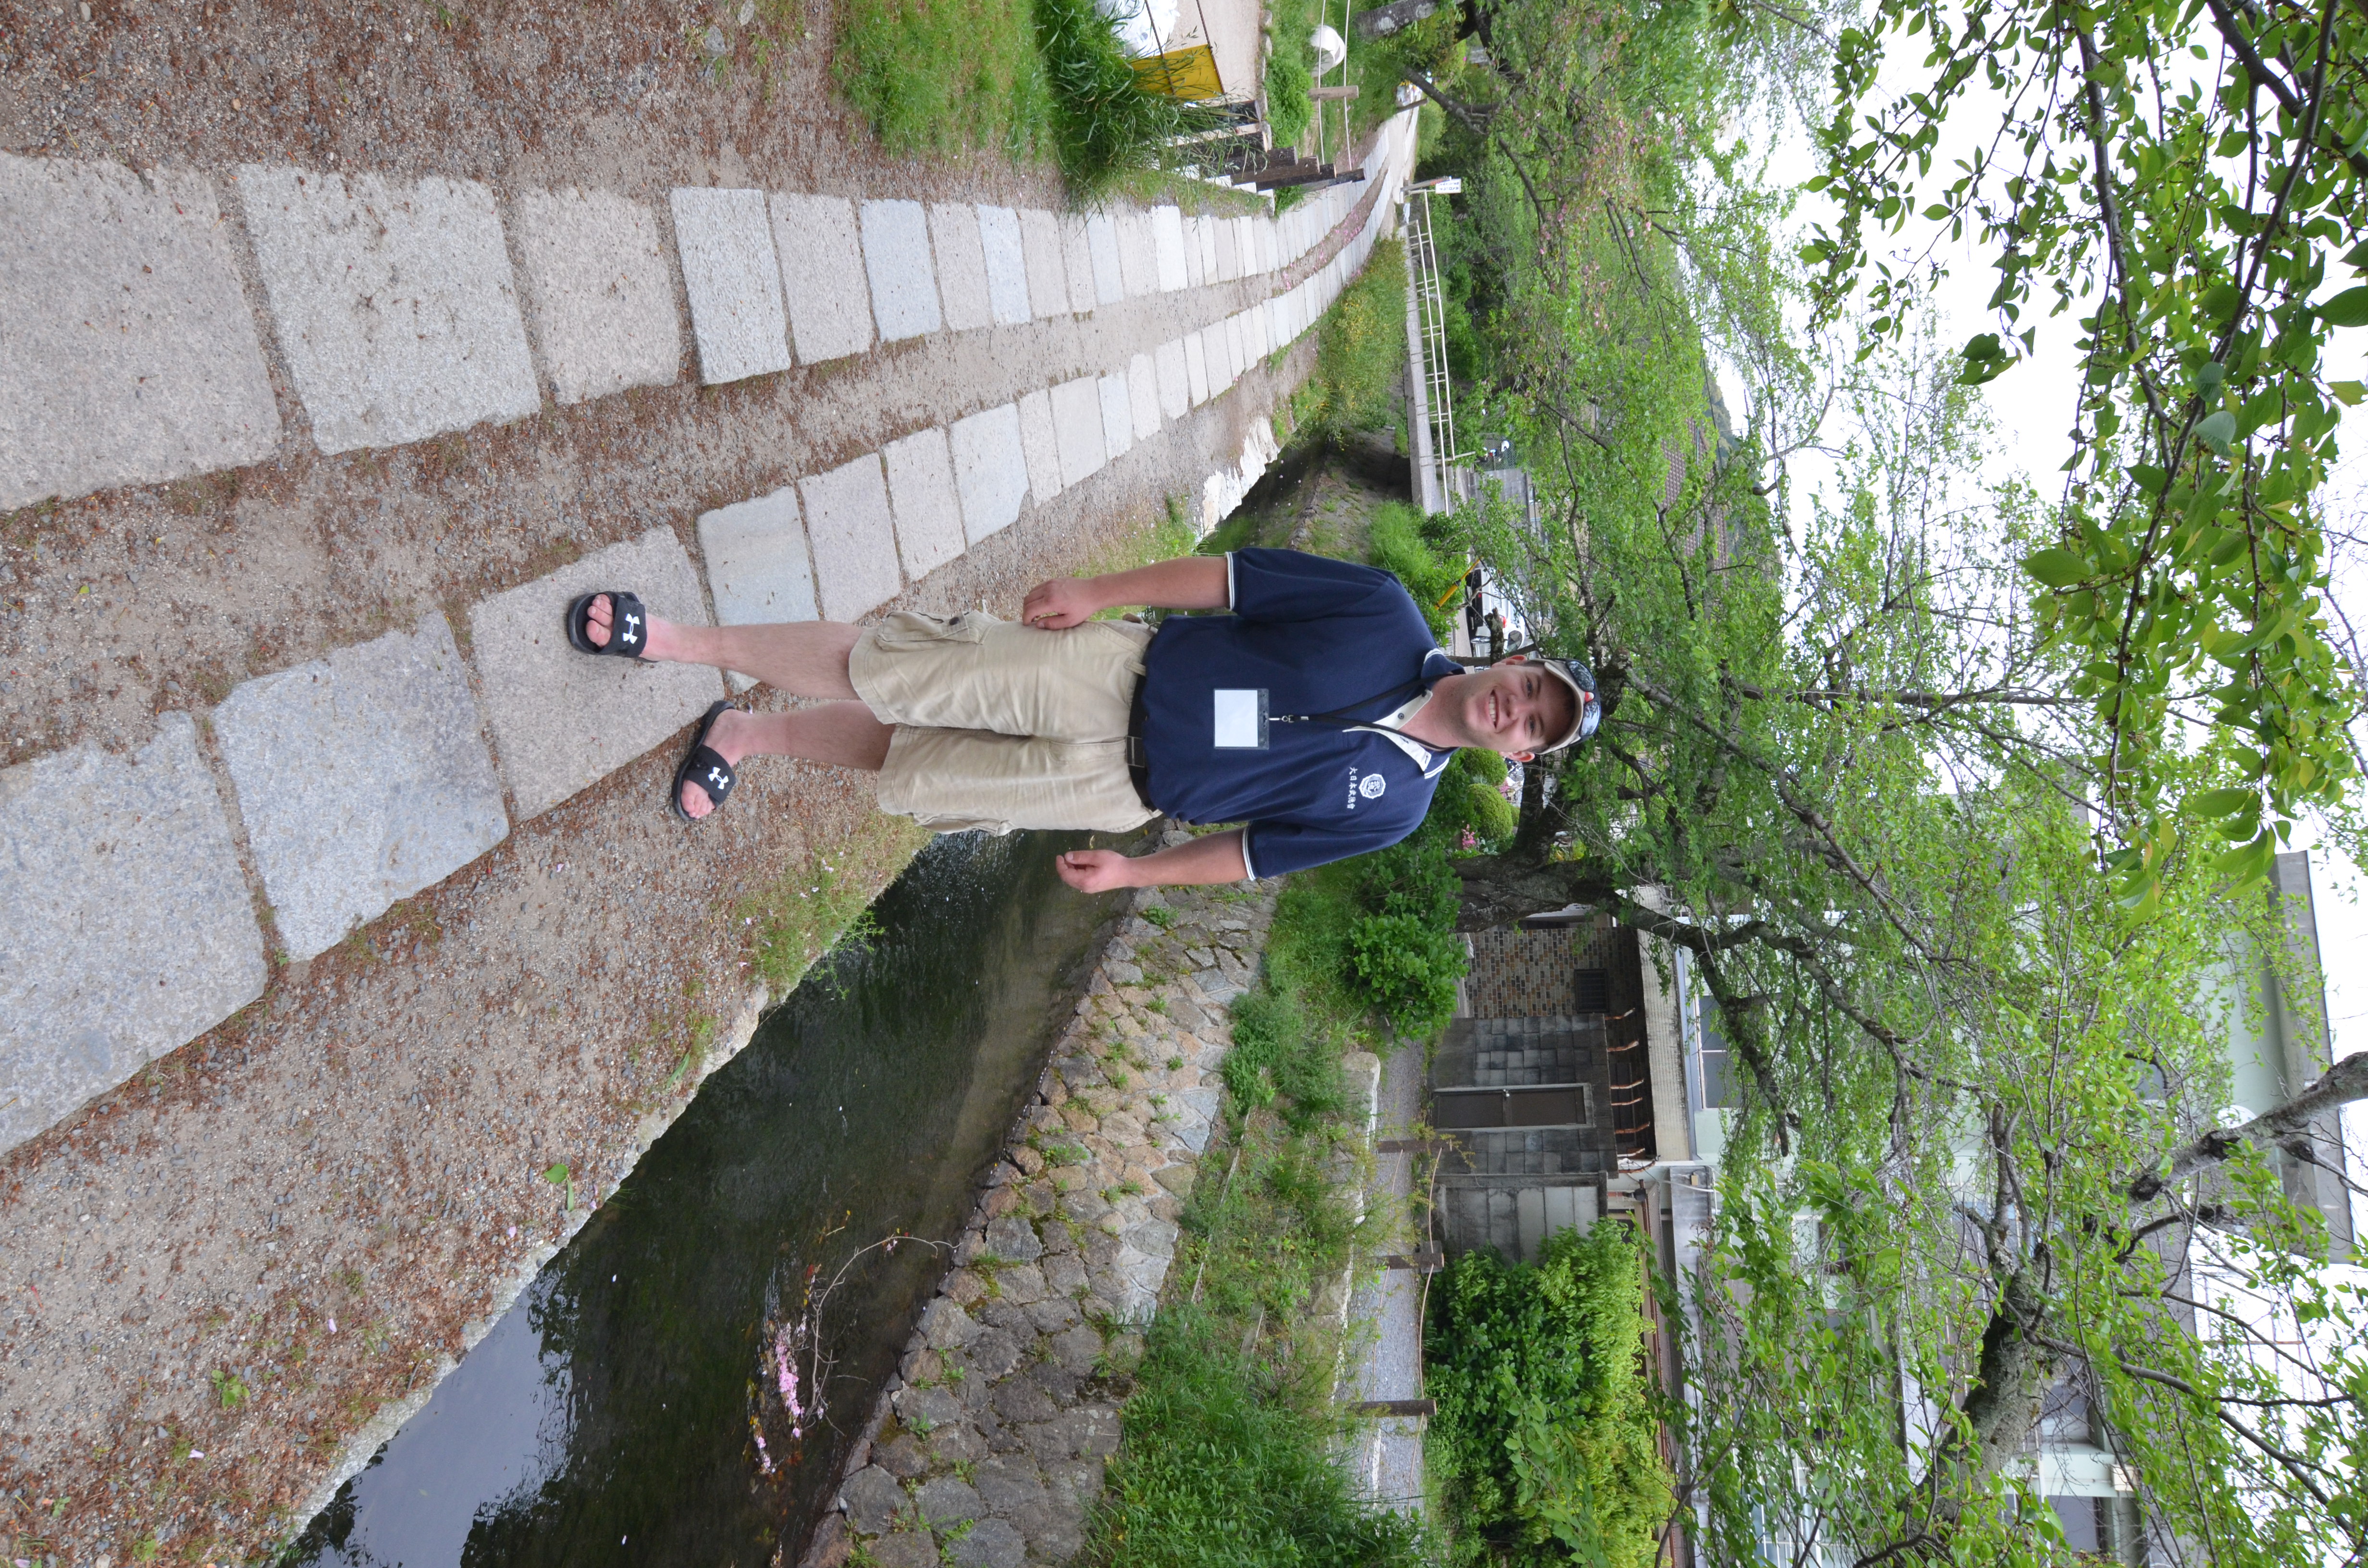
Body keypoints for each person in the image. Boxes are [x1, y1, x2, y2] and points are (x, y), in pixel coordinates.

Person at [565, 547, 1598, 892]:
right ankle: (676, 642)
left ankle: (744, 736)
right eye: (1532, 689)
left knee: (910, 762)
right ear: (1514, 661)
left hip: (1114, 788)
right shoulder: (1383, 611)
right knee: (895, 668)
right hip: (1112, 675)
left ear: (1519, 755)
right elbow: (1233, 581)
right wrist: (1102, 592)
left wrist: (1138, 871)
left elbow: (1252, 855)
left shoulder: (1397, 810)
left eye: (1534, 729)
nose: (1518, 711)